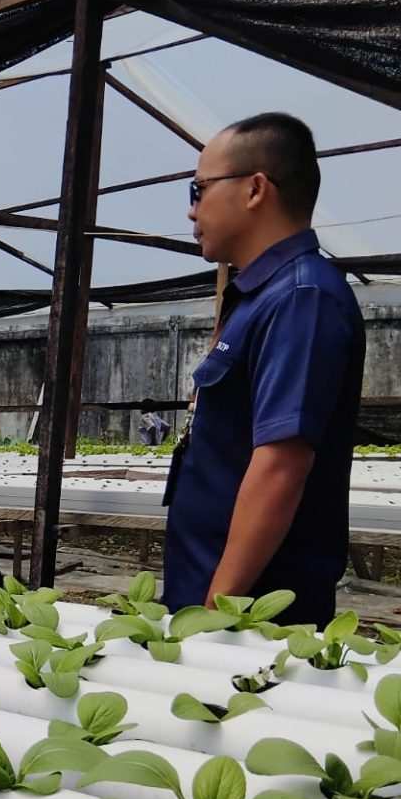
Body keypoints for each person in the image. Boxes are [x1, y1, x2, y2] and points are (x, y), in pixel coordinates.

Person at [164, 112, 364, 626]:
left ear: (255, 189)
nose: (191, 212)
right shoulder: (262, 296)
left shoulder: (303, 299)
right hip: (218, 602)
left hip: (252, 624)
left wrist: (215, 617)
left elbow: (280, 465)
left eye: (199, 189)